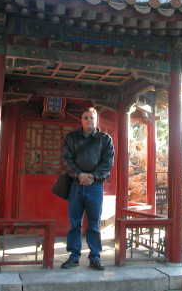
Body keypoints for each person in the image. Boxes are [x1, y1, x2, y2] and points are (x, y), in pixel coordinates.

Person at [60, 107, 115, 270]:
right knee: (74, 222)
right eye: (85, 117)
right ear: (81, 120)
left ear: (96, 120)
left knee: (94, 223)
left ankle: (95, 256)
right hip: (76, 186)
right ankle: (74, 256)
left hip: (95, 186)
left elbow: (108, 162)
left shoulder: (105, 139)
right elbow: (66, 159)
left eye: (92, 117)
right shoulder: (71, 138)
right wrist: (79, 175)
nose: (89, 120)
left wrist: (93, 177)